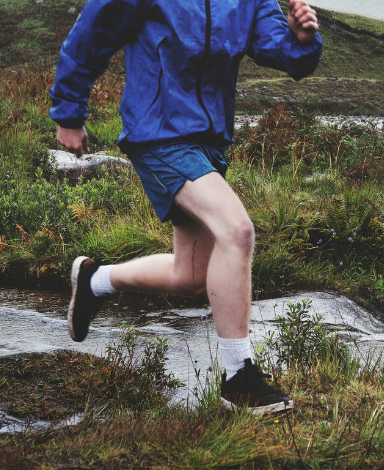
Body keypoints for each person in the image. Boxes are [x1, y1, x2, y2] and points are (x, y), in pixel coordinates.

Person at [49, 0, 322, 414]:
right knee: (237, 231)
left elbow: (280, 51)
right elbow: (94, 32)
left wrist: (302, 39)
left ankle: (95, 281)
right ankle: (239, 378)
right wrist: (69, 110)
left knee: (192, 275)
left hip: (209, 141)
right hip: (157, 131)